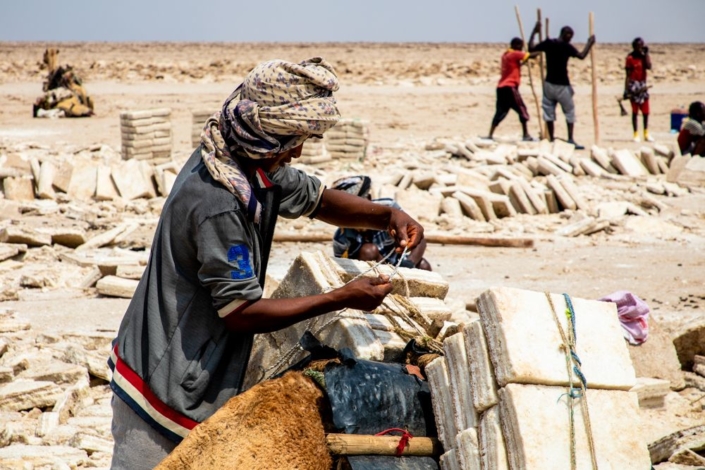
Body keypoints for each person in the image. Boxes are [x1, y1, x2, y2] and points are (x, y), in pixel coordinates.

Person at [108, 58, 425, 469]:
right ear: (264, 136)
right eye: (293, 140)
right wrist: (341, 297)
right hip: (162, 387)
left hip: (196, 369)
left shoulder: (242, 159)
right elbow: (242, 312)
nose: (298, 151)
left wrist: (385, 215)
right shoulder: (219, 201)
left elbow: (318, 198)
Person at [331, 175, 431, 271]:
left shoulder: (390, 209)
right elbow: (342, 270)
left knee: (424, 266)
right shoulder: (342, 238)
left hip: (396, 263)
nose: (356, 218)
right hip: (370, 275)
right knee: (369, 251)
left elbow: (418, 238)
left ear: (369, 200)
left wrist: (408, 265)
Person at [529, 23, 596, 149]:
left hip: (548, 84)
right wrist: (589, 43)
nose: (570, 39)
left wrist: (534, 32)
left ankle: (551, 139)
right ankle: (570, 139)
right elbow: (581, 56)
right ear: (566, 35)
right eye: (570, 36)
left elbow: (531, 48)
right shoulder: (566, 47)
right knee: (569, 111)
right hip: (562, 85)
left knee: (549, 113)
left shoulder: (549, 43)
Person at [487, 38, 540, 142]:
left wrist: (535, 31)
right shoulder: (515, 54)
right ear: (516, 45)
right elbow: (531, 55)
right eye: (520, 46)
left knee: (500, 111)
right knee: (522, 109)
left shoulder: (506, 55)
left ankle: (490, 134)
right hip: (510, 87)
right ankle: (525, 134)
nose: (521, 48)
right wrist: (543, 50)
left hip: (501, 88)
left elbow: (524, 58)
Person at [625, 38, 653, 142]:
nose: (639, 48)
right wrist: (626, 90)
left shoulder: (644, 57)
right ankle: (635, 134)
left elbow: (649, 66)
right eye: (638, 46)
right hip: (633, 85)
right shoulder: (630, 58)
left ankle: (646, 133)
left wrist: (646, 54)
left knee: (646, 111)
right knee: (635, 111)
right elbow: (627, 75)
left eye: (641, 45)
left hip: (642, 85)